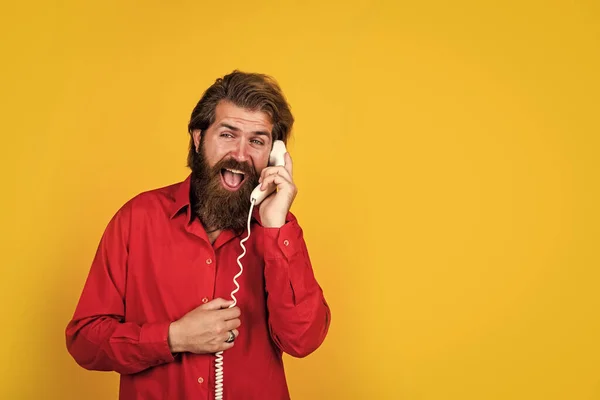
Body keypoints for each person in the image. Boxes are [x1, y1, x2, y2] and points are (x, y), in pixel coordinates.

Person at [65, 71, 331, 400]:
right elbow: (85, 341)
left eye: (257, 141)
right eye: (228, 134)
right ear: (198, 137)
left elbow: (303, 340)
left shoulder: (278, 231)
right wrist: (173, 337)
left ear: (274, 156)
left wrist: (276, 227)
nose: (241, 154)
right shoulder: (137, 219)